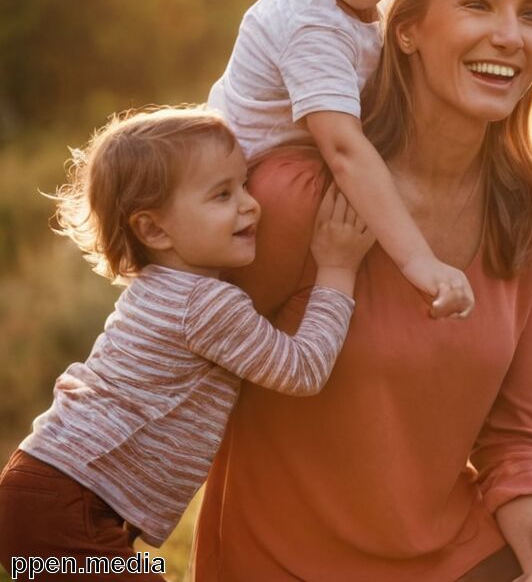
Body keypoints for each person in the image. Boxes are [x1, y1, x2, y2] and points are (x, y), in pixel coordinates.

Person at [191, 0, 532, 582]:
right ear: (406, 28)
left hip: (455, 556)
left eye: (531, 15)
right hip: (283, 565)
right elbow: (174, 359)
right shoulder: (294, 195)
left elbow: (516, 438)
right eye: (479, 4)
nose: (510, 36)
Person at [0, 106, 373, 574]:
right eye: (222, 195)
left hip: (51, 488)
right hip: (72, 499)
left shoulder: (163, 287)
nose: (250, 204)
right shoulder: (206, 304)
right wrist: (338, 269)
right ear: (153, 229)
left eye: (245, 185)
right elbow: (303, 370)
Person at [209, 0, 474, 320]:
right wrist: (419, 259)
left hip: (278, 179)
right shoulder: (312, 26)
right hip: (238, 199)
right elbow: (344, 148)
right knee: (220, 335)